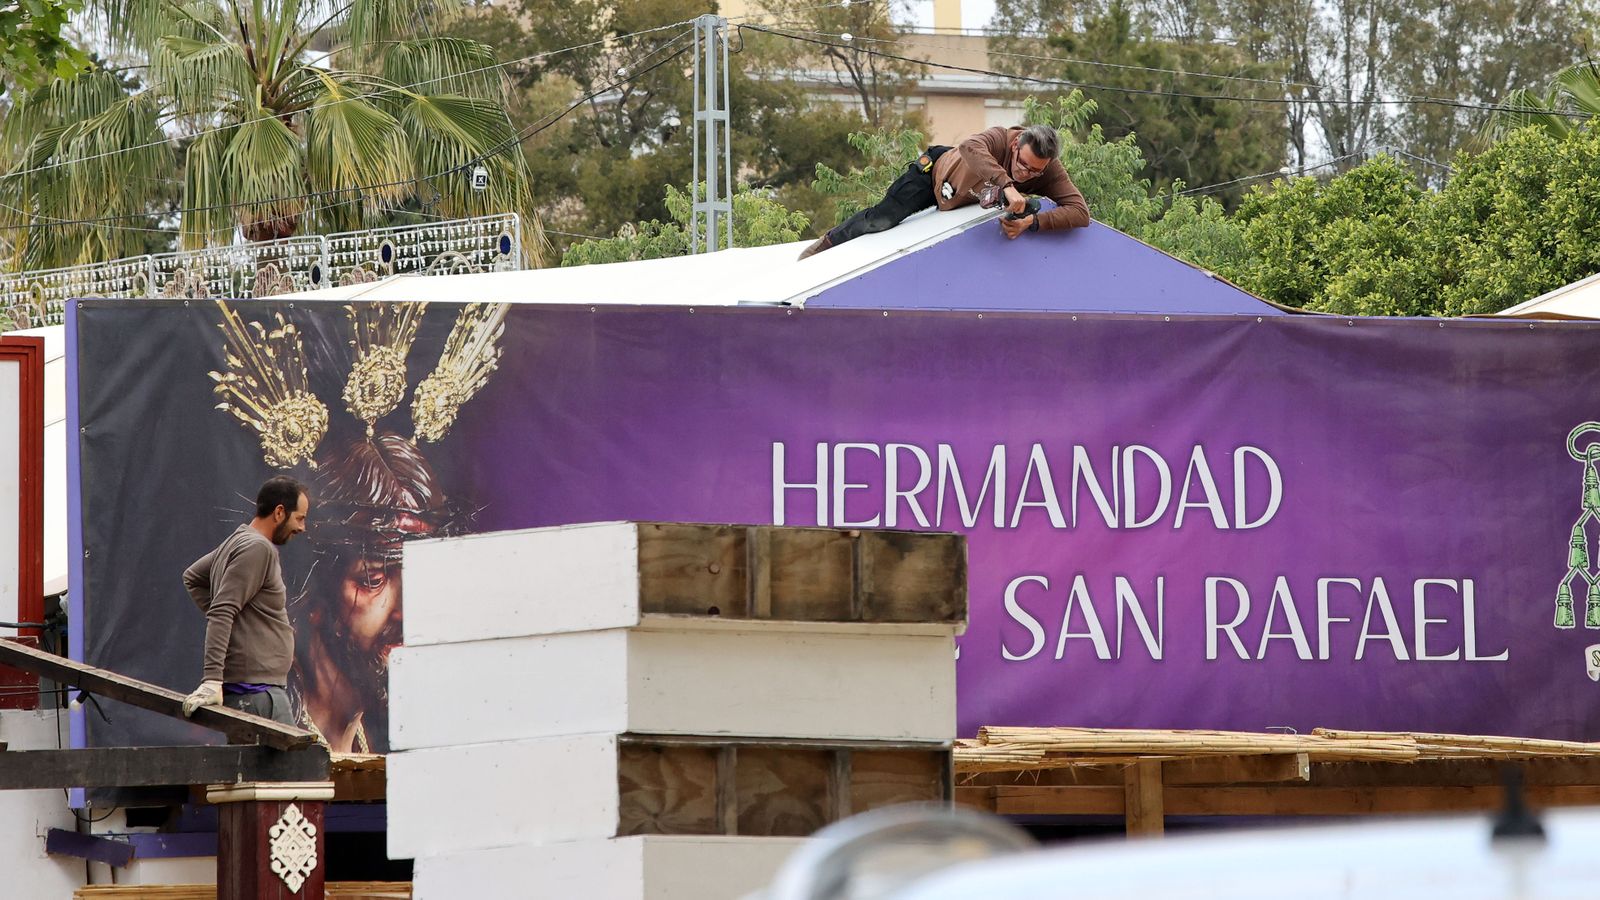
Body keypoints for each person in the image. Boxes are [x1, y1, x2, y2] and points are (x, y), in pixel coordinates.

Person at [289, 433, 452, 753]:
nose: (405, 611)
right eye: (373, 579)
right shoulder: (265, 728)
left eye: (421, 576)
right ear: (314, 590)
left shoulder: (373, 740)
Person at [798, 124, 1091, 260]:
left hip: (967, 200)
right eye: (1024, 165)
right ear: (1015, 146)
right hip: (935, 175)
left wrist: (1032, 222)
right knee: (882, 219)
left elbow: (1080, 212)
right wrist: (1008, 185)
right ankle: (825, 244)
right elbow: (968, 147)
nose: (1027, 173)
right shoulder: (999, 138)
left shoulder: (1049, 170)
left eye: (1035, 172)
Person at [180, 476, 310, 725]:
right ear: (280, 512)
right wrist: (212, 680)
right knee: (293, 765)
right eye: (300, 518)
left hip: (255, 693)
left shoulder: (238, 541)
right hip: (258, 696)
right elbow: (222, 610)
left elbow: (192, 577)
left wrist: (237, 622)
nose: (303, 527)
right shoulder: (257, 548)